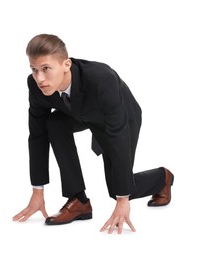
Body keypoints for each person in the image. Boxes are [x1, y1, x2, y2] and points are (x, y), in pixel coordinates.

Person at [13, 34, 174, 234]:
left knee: (118, 186)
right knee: (53, 123)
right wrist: (38, 190)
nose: (40, 78)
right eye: (34, 70)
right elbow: (36, 134)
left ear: (66, 64)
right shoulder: (35, 86)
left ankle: (162, 178)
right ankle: (78, 200)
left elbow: (118, 132)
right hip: (80, 112)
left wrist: (122, 198)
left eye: (46, 69)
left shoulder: (101, 78)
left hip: (119, 120)